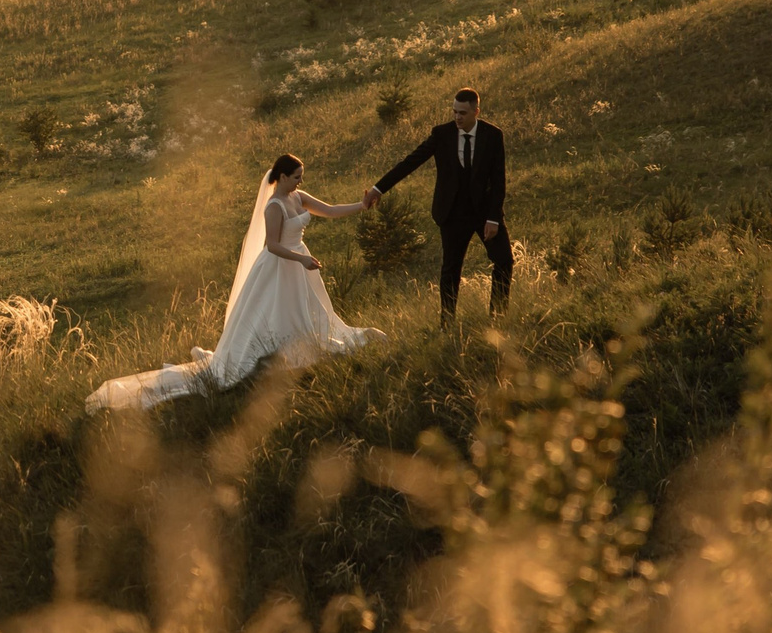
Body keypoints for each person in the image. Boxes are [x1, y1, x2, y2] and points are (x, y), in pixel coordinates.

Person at [85, 153, 380, 412]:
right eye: (296, 177)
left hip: (299, 262)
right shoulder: (274, 206)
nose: (301, 182)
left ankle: (302, 350)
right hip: (281, 264)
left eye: (301, 177)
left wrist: (362, 205)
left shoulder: (298, 197)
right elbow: (273, 246)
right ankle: (272, 358)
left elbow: (330, 210)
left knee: (304, 309)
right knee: (276, 312)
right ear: (281, 177)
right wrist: (300, 259)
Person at [365, 86, 509, 323]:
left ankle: (498, 317)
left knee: (504, 261)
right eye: (454, 112)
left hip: (485, 213)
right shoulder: (442, 134)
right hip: (452, 213)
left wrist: (493, 218)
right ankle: (447, 322)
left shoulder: (492, 135)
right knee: (451, 269)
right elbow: (411, 161)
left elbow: (498, 179)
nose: (457, 117)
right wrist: (378, 189)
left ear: (476, 111)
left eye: (462, 113)